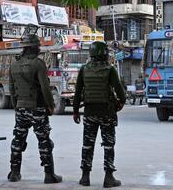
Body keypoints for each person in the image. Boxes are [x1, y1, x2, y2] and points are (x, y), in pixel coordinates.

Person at [8, 32, 62, 184]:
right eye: (38, 45)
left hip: (20, 108)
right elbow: (45, 88)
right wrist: (50, 106)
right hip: (37, 107)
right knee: (44, 140)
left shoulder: (14, 65)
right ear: (34, 47)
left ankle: (14, 172)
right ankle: (49, 174)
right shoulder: (38, 64)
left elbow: (11, 89)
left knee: (18, 140)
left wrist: (16, 107)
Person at [73, 41, 126, 188]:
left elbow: (77, 93)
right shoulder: (110, 70)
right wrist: (120, 103)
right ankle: (109, 178)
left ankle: (85, 177)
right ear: (104, 54)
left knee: (87, 145)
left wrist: (76, 111)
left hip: (89, 112)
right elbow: (121, 93)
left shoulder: (84, 70)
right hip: (107, 113)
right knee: (108, 145)